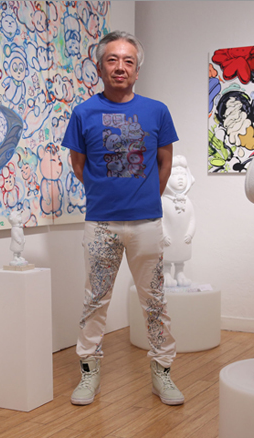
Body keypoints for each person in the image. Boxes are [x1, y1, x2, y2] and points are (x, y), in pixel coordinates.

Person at [61, 31, 184, 406]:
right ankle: (89, 372)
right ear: (99, 67)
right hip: (101, 224)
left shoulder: (157, 111)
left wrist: (144, 198)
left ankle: (162, 373)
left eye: (128, 61)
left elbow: (165, 162)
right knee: (95, 300)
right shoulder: (83, 113)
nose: (120, 67)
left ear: (137, 70)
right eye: (112, 60)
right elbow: (78, 165)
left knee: (155, 300)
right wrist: (107, 195)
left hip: (146, 223)